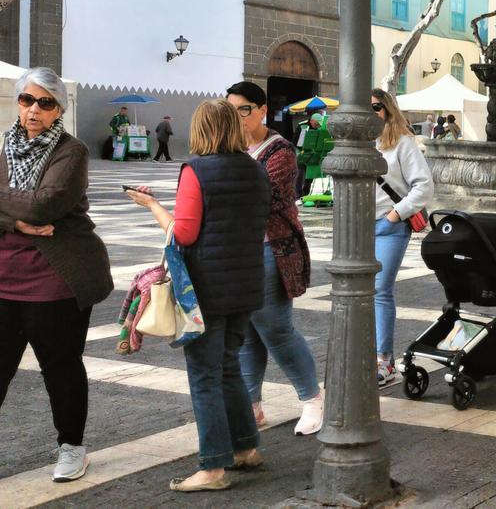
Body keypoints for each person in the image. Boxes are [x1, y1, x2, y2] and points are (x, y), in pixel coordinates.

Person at [125, 99, 269, 492]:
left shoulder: (197, 170)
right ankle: (245, 449)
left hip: (205, 289)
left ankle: (212, 467)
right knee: (227, 368)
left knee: (205, 376)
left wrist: (152, 204)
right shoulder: (255, 169)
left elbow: (184, 233)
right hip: (246, 284)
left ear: (200, 129)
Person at [0, 67, 114, 483]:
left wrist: (19, 212)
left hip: (55, 281)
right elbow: (26, 211)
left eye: (45, 103)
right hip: (4, 280)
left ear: (58, 109)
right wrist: (16, 222)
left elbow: (44, 207)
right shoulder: (4, 147)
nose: (33, 110)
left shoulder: (72, 151)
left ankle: (71, 448)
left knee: (61, 368)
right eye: (27, 100)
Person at [225, 82, 322, 436]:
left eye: (244, 110)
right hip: (238, 252)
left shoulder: (280, 151)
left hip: (271, 249)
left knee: (276, 329)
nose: (237, 117)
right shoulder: (231, 148)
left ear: (262, 110)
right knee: (248, 331)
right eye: (231, 110)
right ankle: (252, 406)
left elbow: (264, 199)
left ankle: (312, 398)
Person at [370, 89, 435, 387]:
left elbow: (423, 187)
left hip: (387, 226)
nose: (370, 113)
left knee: (380, 290)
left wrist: (396, 214)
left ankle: (385, 360)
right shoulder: (352, 142)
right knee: (354, 293)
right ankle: (362, 354)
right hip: (355, 228)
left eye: (375, 107)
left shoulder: (401, 143)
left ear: (387, 109)